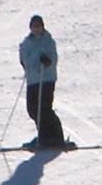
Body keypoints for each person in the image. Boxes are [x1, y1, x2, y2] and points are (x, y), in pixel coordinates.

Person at [17, 15, 69, 149]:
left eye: (38, 26)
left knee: (44, 108)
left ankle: (55, 137)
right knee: (32, 109)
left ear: (42, 27)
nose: (36, 29)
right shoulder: (26, 43)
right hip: (33, 79)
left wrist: (47, 61)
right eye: (34, 26)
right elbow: (23, 58)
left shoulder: (48, 41)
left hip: (46, 78)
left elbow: (53, 58)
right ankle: (44, 136)